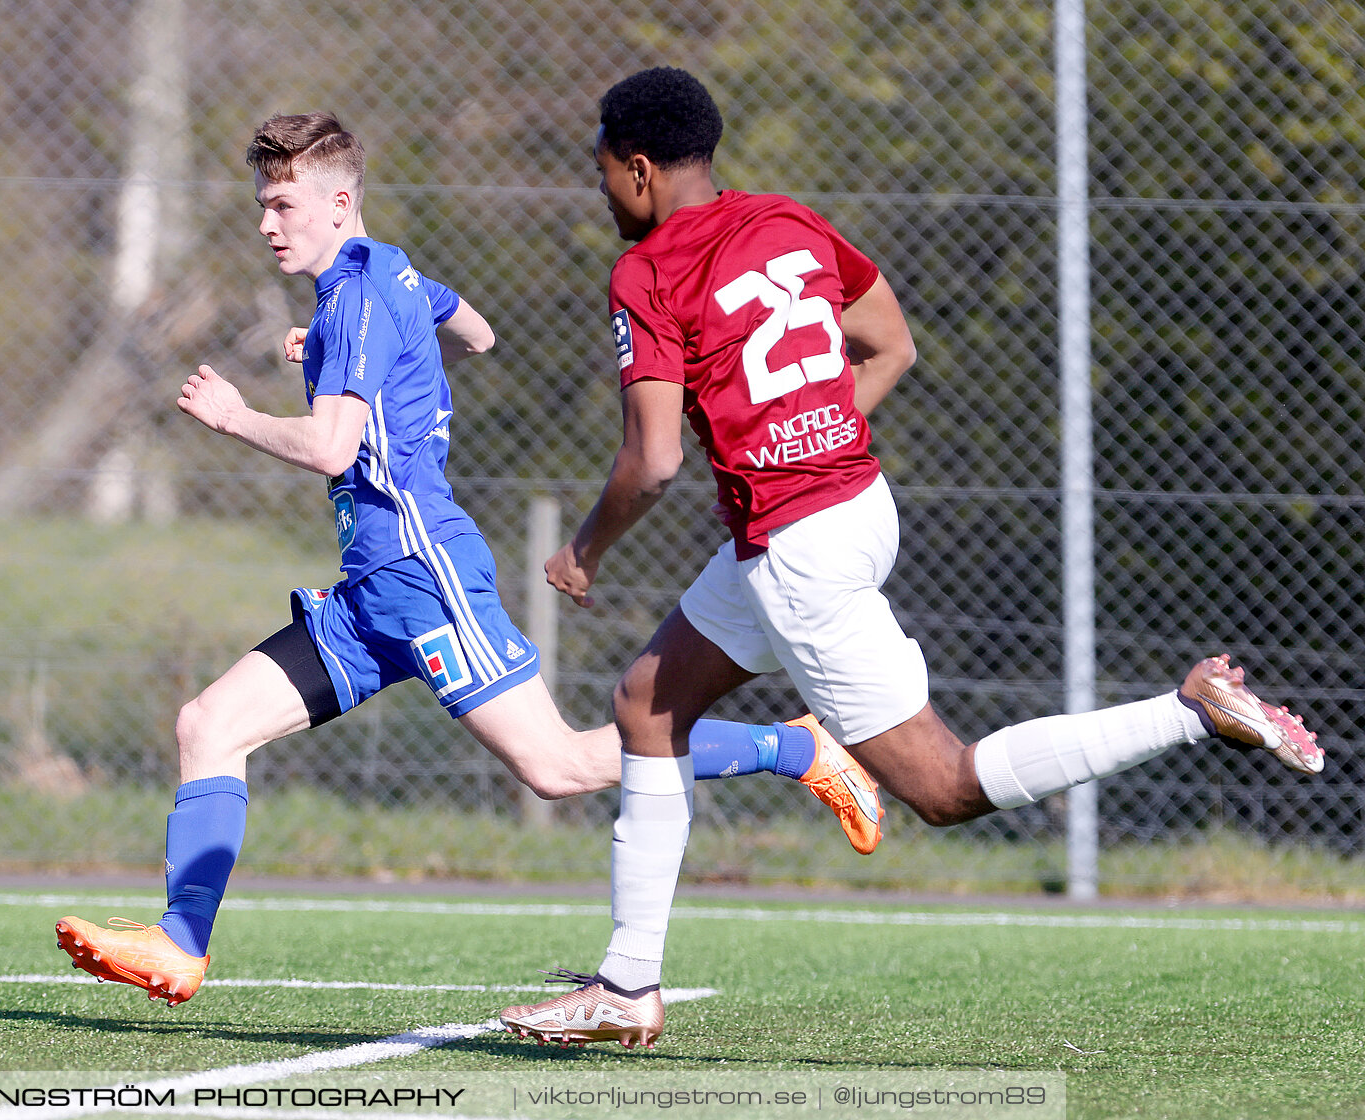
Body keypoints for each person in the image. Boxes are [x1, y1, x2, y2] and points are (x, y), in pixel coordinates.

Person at [497, 67, 1323, 1050]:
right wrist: (807, 440)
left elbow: (655, 459)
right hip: (852, 504)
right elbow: (890, 345)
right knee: (647, 702)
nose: (600, 192)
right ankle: (626, 989)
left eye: (603, 174)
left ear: (638, 168)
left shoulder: (648, 272)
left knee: (943, 786)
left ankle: (1188, 710)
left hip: (796, 549)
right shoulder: (789, 222)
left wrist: (584, 551)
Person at [55, 112, 885, 1008]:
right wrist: (355, 351)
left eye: (283, 203)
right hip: (369, 597)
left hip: (423, 575)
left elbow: (336, 448)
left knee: (558, 767)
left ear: (339, 202)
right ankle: (181, 944)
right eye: (262, 203)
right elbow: (478, 331)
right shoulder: (389, 275)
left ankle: (793, 748)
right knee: (207, 726)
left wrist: (236, 415)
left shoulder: (359, 297)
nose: (267, 223)